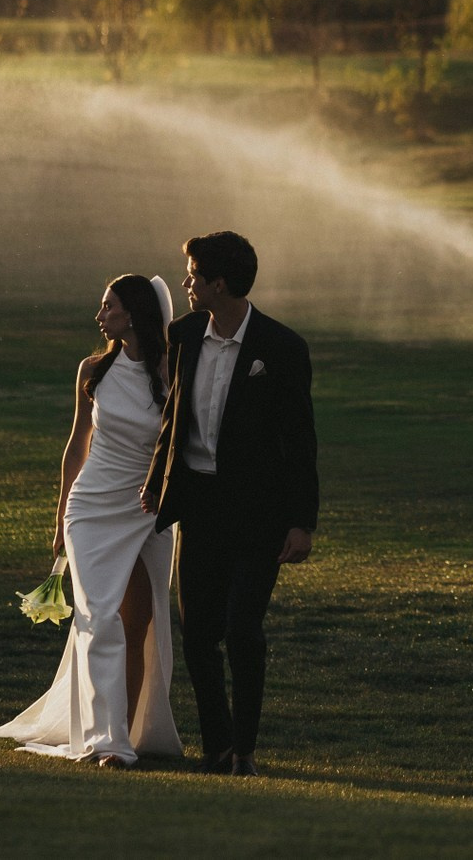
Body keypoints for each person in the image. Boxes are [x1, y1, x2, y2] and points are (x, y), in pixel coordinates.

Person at [0, 274, 183, 768]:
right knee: (100, 620)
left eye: (108, 306)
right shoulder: (93, 369)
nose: (99, 316)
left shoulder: (171, 369)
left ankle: (129, 732)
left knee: (140, 623)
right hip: (91, 511)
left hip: (150, 511)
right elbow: (77, 445)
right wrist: (59, 519)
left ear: (132, 314)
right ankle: (107, 742)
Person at [142, 230, 319, 776]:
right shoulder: (185, 333)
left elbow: (301, 439)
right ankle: (216, 749)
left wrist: (301, 522)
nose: (186, 283)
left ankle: (245, 750)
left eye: (194, 275)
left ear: (219, 284)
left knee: (243, 631)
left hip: (258, 514)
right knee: (197, 636)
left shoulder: (282, 348)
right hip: (198, 507)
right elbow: (173, 419)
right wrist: (156, 482)